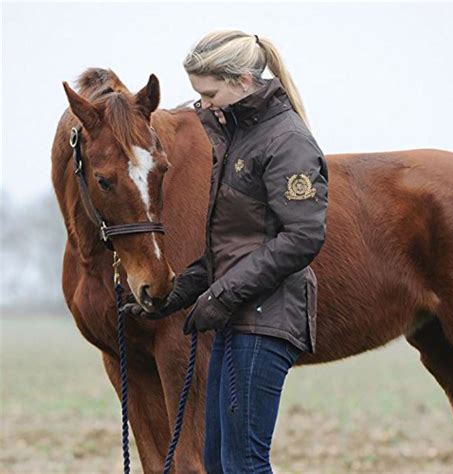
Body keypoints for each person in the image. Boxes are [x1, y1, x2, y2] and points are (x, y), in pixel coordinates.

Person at [127, 30, 329, 473]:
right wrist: (176, 296)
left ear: (241, 81)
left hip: (267, 320)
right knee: (219, 462)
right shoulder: (237, 138)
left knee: (243, 464)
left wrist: (220, 296)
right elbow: (232, 248)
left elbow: (303, 237)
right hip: (238, 318)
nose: (202, 105)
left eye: (209, 93)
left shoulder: (285, 140)